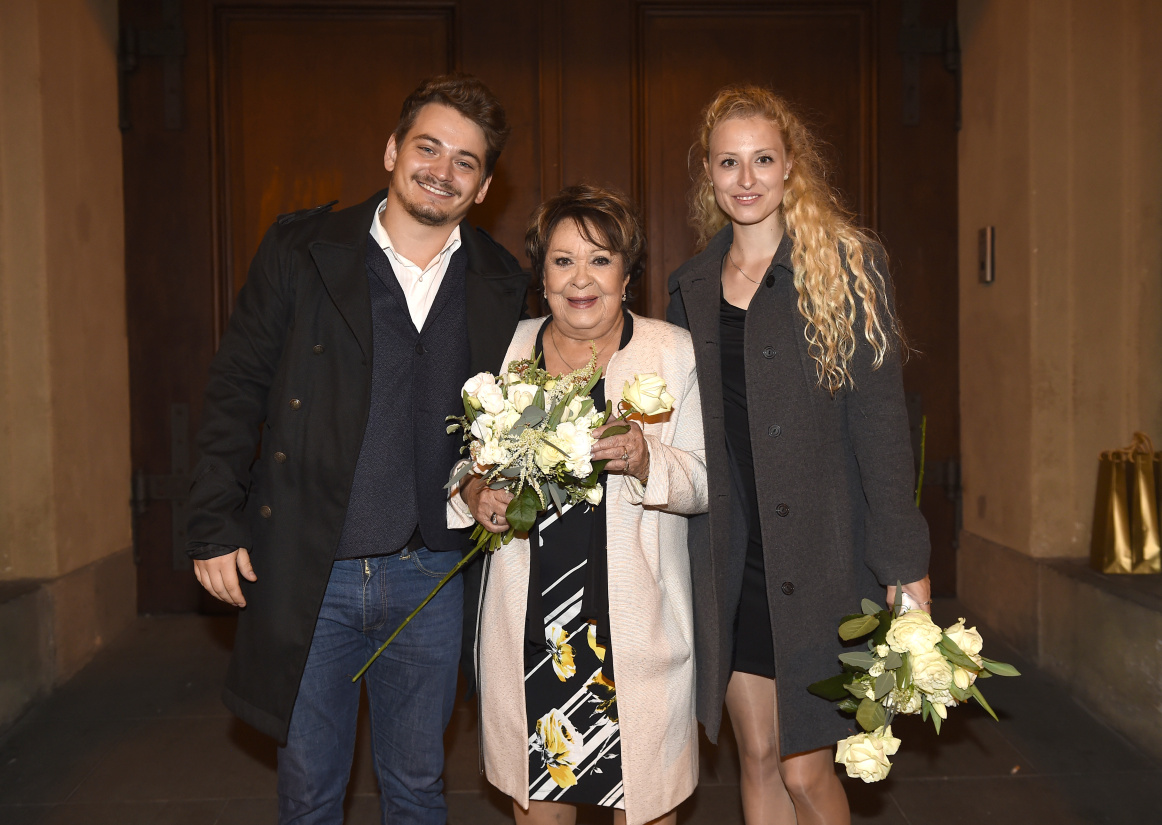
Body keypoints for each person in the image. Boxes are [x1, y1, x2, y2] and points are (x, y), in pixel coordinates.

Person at [186, 74, 530, 824]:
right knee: (310, 791)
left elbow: (509, 422)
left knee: (418, 788)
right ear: (391, 150)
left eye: (465, 161)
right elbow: (236, 387)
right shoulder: (303, 250)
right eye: (427, 147)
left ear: (483, 187)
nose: (441, 170)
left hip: (431, 573)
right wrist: (213, 521)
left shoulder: (502, 282)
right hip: (313, 568)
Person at [667, 84, 932, 824]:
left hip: (823, 558)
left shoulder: (846, 266)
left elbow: (881, 426)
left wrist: (904, 566)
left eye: (762, 159)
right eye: (728, 162)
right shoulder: (690, 287)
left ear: (791, 166)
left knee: (807, 767)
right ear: (709, 174)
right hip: (733, 557)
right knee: (757, 755)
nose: (746, 178)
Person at [450, 185, 706, 825]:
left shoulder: (671, 352)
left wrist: (647, 459)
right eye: (562, 261)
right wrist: (474, 491)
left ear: (627, 273)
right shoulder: (504, 348)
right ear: (541, 276)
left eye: (600, 259)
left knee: (645, 807)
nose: (580, 279)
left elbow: (706, 483)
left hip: (634, 629)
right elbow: (455, 459)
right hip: (533, 629)